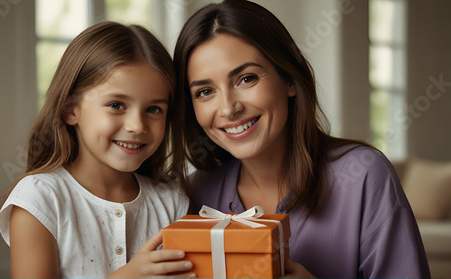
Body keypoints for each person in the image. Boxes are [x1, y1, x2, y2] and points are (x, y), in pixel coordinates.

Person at [174, 0, 430, 278]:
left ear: (290, 80)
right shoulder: (193, 195)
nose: (228, 109)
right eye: (205, 92)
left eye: (246, 79)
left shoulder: (364, 177)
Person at [0, 21, 195, 278]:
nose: (137, 125)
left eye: (154, 109)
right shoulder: (39, 200)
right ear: (71, 109)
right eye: (116, 105)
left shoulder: (172, 202)